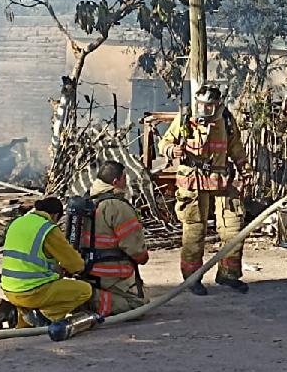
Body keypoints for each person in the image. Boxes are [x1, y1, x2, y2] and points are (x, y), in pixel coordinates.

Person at [157, 85, 249, 295]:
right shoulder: (184, 119)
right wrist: (173, 149)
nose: (205, 110)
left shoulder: (225, 119)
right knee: (194, 232)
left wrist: (245, 170)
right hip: (193, 181)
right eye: (202, 105)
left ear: (217, 105)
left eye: (209, 106)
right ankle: (192, 279)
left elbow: (236, 147)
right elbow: (165, 143)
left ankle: (229, 275)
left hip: (221, 180)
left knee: (233, 229)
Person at [0, 197, 91, 329]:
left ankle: (16, 314)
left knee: (44, 290)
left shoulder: (17, 222)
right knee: (85, 290)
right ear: (56, 215)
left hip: (9, 289)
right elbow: (76, 265)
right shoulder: (47, 229)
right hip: (31, 292)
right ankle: (43, 317)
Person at [82, 161, 150, 318]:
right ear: (115, 182)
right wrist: (143, 256)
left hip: (87, 271)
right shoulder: (117, 206)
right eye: (124, 178)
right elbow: (137, 252)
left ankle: (85, 293)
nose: (126, 182)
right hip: (111, 276)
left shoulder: (87, 201)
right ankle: (89, 301)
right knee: (138, 306)